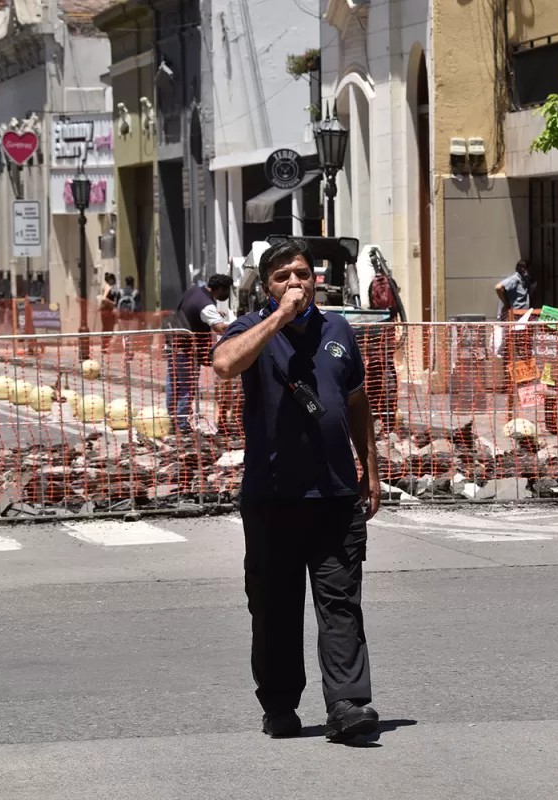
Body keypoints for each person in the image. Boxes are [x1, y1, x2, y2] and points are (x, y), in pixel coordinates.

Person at [210, 237, 382, 744]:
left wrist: (369, 469)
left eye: (303, 274)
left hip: (334, 496)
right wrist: (278, 320)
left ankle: (348, 705)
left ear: (316, 279)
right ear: (267, 285)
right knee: (274, 609)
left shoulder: (339, 331)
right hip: (273, 499)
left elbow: (355, 402)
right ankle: (279, 705)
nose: (295, 284)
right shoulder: (254, 328)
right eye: (283, 276)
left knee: (341, 603)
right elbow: (224, 364)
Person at [167, 274, 233, 433]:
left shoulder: (194, 291)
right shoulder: (206, 304)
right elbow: (219, 328)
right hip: (187, 351)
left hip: (173, 345)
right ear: (220, 289)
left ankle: (171, 420)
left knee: (173, 385)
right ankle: (181, 425)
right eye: (227, 290)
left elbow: (192, 310)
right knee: (187, 387)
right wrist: (240, 325)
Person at [99, 273, 120, 352]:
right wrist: (113, 304)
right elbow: (104, 298)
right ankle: (105, 346)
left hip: (107, 311)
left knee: (107, 329)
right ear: (110, 280)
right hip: (107, 311)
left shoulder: (108, 287)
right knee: (107, 329)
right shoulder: (108, 287)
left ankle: (105, 346)